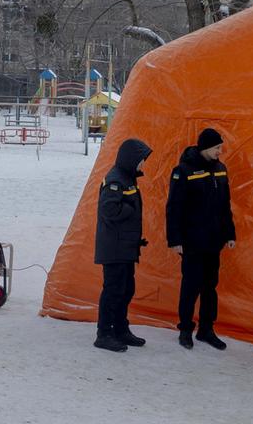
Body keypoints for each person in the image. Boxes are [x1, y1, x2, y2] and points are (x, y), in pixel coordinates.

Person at [166, 128, 236, 350]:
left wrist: (230, 233)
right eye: (216, 148)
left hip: (213, 242)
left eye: (220, 148)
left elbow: (226, 206)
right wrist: (175, 239)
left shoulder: (221, 170)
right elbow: (173, 208)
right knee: (190, 286)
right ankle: (185, 329)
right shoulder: (183, 171)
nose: (219, 151)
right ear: (205, 147)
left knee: (210, 287)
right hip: (192, 242)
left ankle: (206, 329)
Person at [94, 137, 152, 353]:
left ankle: (120, 328)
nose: (143, 164)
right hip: (114, 248)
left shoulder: (127, 178)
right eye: (141, 160)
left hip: (124, 247)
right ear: (130, 159)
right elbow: (109, 210)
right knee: (113, 290)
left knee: (126, 289)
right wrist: (129, 209)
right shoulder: (115, 180)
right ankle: (104, 333)